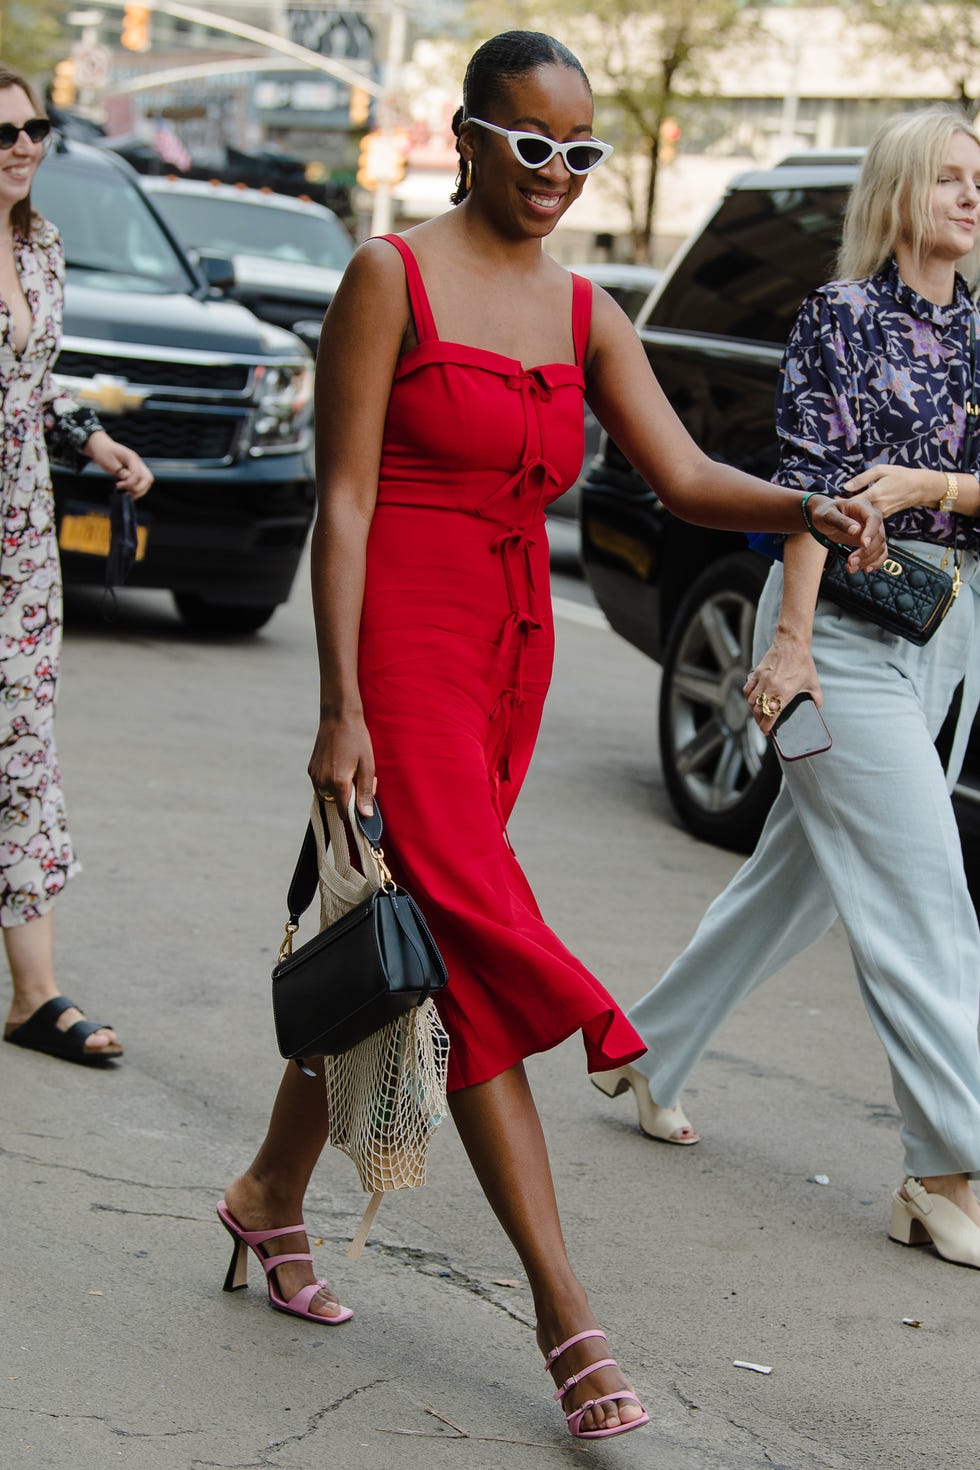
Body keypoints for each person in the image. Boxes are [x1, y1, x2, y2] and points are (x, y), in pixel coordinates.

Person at [217, 31, 883, 1442]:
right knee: (465, 946)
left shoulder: (587, 307)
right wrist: (337, 706)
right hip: (398, 640)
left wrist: (800, 508)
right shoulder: (388, 277)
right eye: (533, 145)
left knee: (397, 933)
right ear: (467, 136)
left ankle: (268, 1195)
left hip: (510, 651)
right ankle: (567, 1316)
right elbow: (343, 502)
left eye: (580, 154)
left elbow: (688, 475)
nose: (559, 176)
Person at [595, 105, 980, 1270]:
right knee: (924, 900)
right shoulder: (839, 315)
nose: (972, 197)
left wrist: (930, 486)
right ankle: (946, 1167)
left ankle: (640, 1050)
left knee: (793, 883)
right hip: (840, 645)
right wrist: (793, 642)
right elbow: (806, 489)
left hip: (943, 635)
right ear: (901, 190)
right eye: (952, 178)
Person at [0, 65, 153, 1066]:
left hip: (18, 544)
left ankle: (34, 996)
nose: (21, 144)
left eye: (34, 127)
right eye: (0, 131)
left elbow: (35, 384)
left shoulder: (39, 248)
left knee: (19, 753)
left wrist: (95, 440)